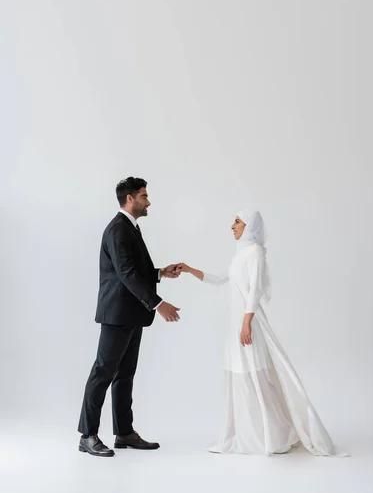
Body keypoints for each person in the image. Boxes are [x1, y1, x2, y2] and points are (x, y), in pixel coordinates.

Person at [178, 210, 346, 456]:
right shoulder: (240, 255)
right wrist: (190, 269)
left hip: (248, 322)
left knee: (254, 376)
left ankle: (271, 437)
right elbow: (220, 279)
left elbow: (255, 289)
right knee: (239, 375)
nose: (232, 226)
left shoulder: (255, 252)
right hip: (235, 323)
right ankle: (241, 435)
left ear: (249, 225)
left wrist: (246, 323)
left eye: (237, 221)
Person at [78, 177, 181, 457]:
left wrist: (161, 273)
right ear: (130, 199)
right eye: (144, 196)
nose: (149, 201)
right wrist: (158, 303)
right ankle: (87, 436)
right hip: (117, 314)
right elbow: (126, 273)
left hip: (131, 313)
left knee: (124, 376)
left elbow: (133, 269)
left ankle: (124, 433)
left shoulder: (130, 228)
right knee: (103, 372)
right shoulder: (118, 229)